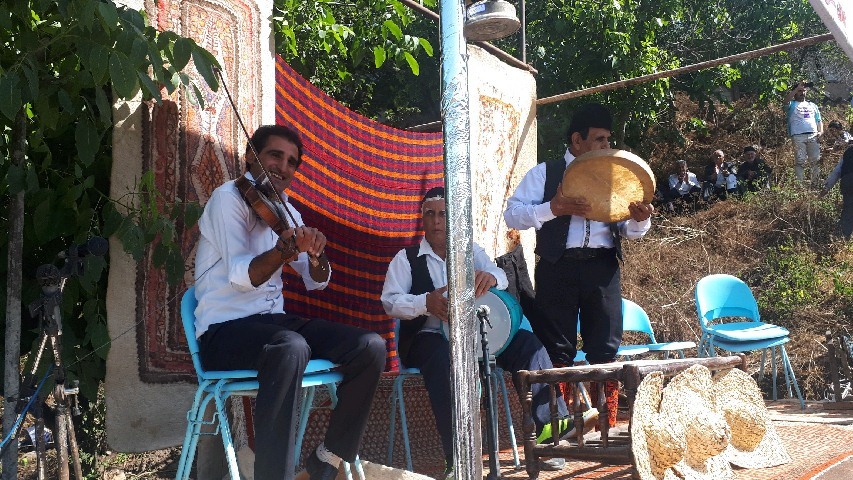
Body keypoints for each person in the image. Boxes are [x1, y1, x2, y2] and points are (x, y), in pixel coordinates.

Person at [193, 125, 386, 480]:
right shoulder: (227, 199)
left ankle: (326, 460)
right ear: (252, 156)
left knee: (370, 346)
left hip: (273, 326)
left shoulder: (284, 210)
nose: (283, 167)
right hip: (224, 332)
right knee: (291, 348)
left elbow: (318, 280)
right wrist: (284, 249)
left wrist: (315, 253)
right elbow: (242, 276)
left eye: (292, 162)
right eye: (274, 155)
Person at [381, 187, 580, 476]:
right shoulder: (406, 258)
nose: (437, 220)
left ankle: (551, 431)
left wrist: (491, 275)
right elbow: (389, 302)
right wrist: (425, 302)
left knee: (528, 345)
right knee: (447, 363)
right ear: (422, 219)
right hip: (430, 338)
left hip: (478, 335)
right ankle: (458, 457)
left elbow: (499, 275)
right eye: (430, 214)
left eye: (443, 214)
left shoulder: (469, 250)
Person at [503, 103, 654, 429]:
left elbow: (627, 229)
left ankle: (605, 428)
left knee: (605, 347)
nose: (606, 147)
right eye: (599, 139)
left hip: (603, 268)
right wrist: (552, 208)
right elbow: (512, 214)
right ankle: (562, 428)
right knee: (557, 348)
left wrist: (640, 221)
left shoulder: (616, 174)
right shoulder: (546, 173)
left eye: (607, 140)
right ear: (576, 140)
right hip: (558, 267)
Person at [784, 80, 823, 184]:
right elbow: (785, 101)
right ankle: (799, 185)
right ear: (795, 92)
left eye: (804, 91)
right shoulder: (792, 104)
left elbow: (818, 120)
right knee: (800, 161)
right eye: (800, 91)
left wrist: (821, 131)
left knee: (815, 160)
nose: (802, 93)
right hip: (798, 136)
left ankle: (815, 183)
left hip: (813, 135)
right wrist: (796, 88)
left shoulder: (813, 105)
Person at [820, 146, 853, 238]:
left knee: (848, 210)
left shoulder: (848, 151)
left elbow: (837, 172)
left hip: (847, 182)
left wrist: (826, 189)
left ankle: (841, 238)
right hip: (848, 182)